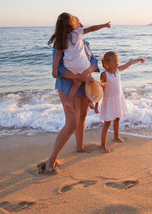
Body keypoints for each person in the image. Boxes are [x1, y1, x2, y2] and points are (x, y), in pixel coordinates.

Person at [38, 13, 110, 174]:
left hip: (84, 83)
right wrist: (79, 76)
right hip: (67, 84)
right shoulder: (61, 43)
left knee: (83, 116)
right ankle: (51, 160)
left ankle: (79, 147)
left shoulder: (84, 43)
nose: (82, 24)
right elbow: (59, 70)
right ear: (72, 26)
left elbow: (93, 62)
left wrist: (87, 73)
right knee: (72, 123)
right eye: (79, 23)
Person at [51, 13, 111, 112]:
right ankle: (90, 100)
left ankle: (70, 101)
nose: (82, 26)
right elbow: (91, 28)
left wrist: (54, 70)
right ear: (72, 25)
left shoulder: (60, 39)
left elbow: (57, 56)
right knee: (89, 78)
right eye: (79, 23)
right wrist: (104, 25)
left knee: (77, 83)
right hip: (81, 64)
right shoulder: (76, 33)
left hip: (69, 66)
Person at [94, 51, 145, 153]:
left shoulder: (118, 70)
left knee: (117, 118)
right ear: (107, 63)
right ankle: (102, 145)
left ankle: (116, 137)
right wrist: (96, 104)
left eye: (117, 61)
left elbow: (129, 63)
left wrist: (139, 59)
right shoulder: (104, 75)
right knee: (107, 123)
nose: (117, 63)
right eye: (114, 62)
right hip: (109, 101)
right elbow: (100, 91)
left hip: (118, 99)